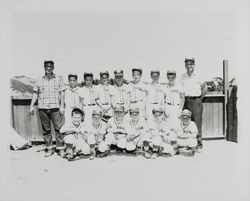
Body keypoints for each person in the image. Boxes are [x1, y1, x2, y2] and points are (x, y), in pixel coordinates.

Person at [29, 60, 66, 157]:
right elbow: (35, 93)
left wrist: (62, 106)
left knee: (59, 128)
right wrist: (31, 105)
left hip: (55, 108)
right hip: (43, 107)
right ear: (44, 67)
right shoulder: (38, 79)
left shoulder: (59, 78)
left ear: (53, 67)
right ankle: (49, 148)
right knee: (46, 129)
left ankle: (60, 148)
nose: (48, 68)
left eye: (50, 66)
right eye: (46, 66)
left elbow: (62, 93)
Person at [180, 58, 207, 152]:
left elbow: (204, 88)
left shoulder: (199, 75)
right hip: (186, 100)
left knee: (197, 123)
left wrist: (199, 99)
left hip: (196, 100)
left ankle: (199, 144)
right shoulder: (183, 76)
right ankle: (189, 143)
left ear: (194, 65)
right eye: (187, 64)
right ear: (185, 65)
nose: (189, 66)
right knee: (187, 122)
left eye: (191, 64)